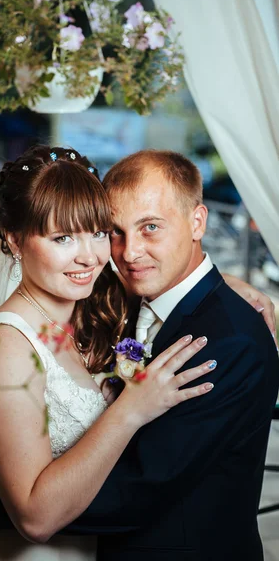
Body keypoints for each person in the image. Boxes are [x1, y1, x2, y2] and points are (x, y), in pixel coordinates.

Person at [0, 146, 275, 561]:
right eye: (64, 237)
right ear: (14, 240)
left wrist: (224, 285)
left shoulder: (98, 311)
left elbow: (143, 482)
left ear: (197, 222)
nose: (99, 255)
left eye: (97, 232)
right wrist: (129, 409)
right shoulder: (7, 346)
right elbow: (36, 514)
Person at [65, 150, 279, 561]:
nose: (128, 253)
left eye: (150, 228)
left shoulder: (230, 342)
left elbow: (143, 487)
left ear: (197, 222)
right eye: (116, 232)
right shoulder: (126, 299)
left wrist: (15, 502)